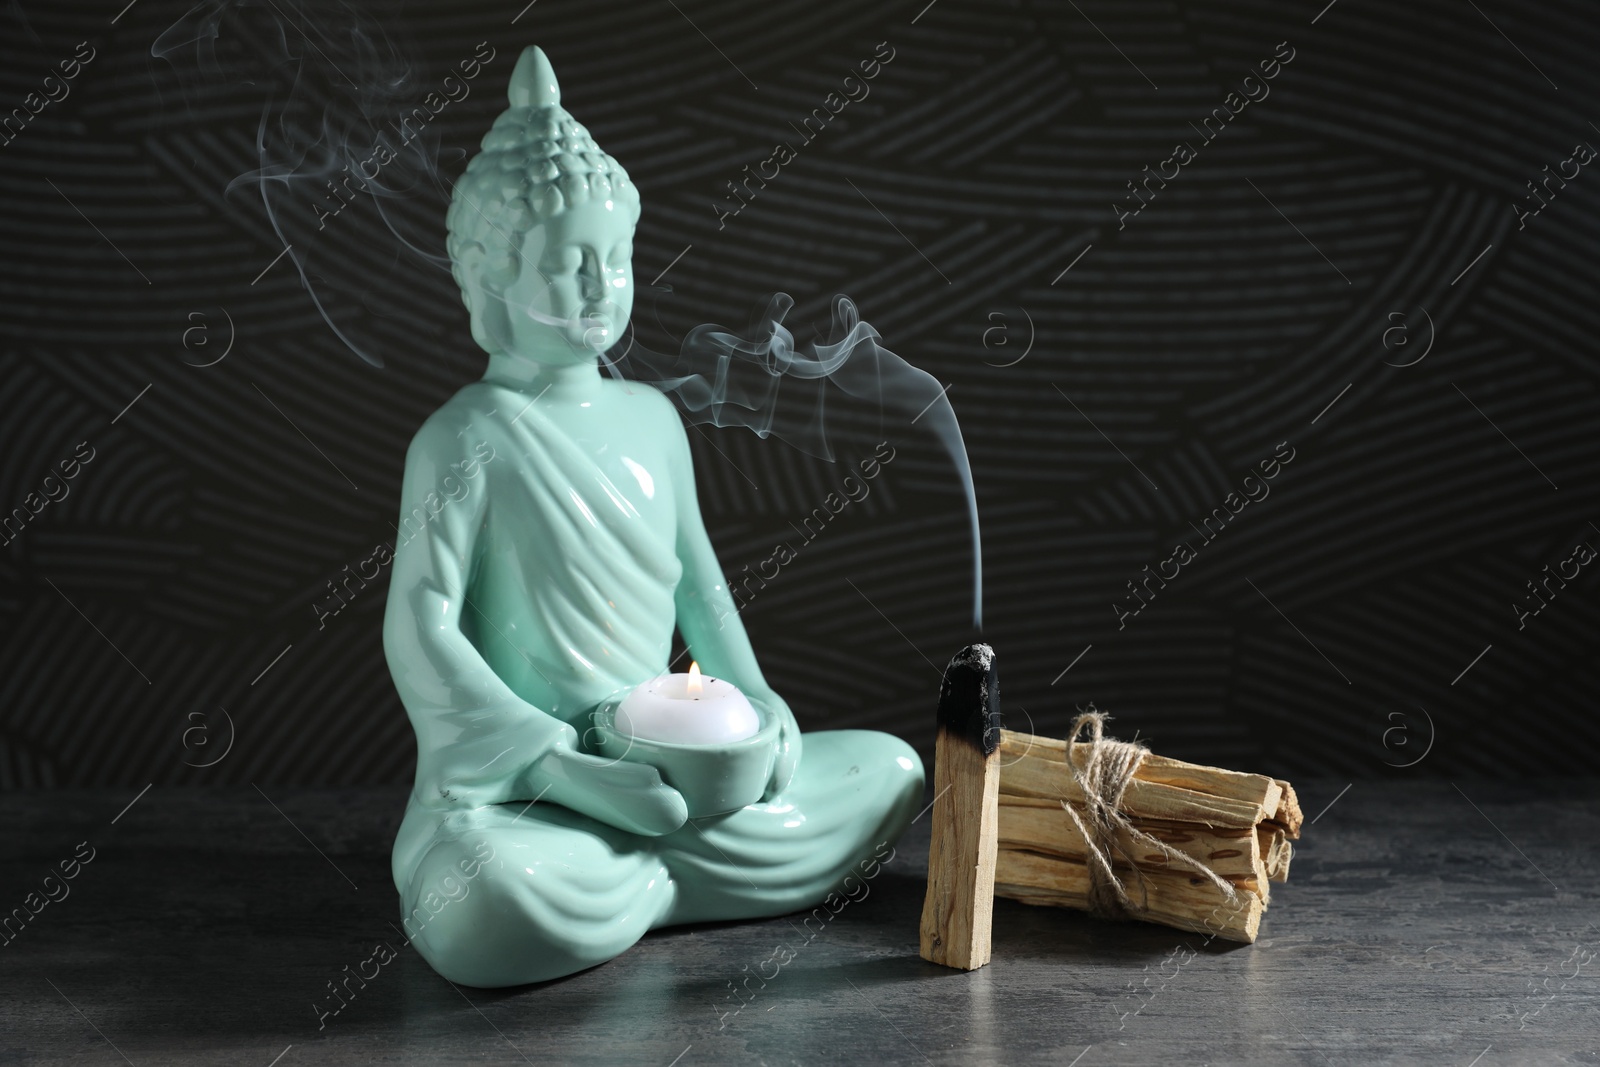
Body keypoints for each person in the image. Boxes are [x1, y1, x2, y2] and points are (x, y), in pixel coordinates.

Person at [383, 45, 924, 988]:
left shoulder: (652, 419)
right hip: (538, 797)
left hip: (674, 777)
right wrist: (557, 765)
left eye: (616, 258)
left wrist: (764, 706)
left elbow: (700, 587)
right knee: (476, 895)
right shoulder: (464, 438)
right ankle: (643, 871)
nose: (599, 285)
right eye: (566, 264)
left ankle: (653, 874)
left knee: (890, 769)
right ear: (488, 278)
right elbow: (419, 629)